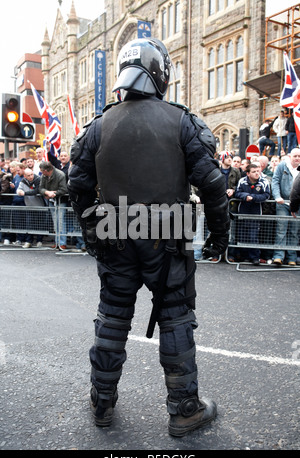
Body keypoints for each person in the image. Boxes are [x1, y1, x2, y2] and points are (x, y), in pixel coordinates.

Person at [68, 38, 230, 437]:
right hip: (167, 233)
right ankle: (184, 409)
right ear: (159, 72)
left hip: (115, 233)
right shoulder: (183, 121)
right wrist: (219, 236)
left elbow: (78, 186)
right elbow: (212, 185)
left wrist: (91, 232)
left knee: (112, 318)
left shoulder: (98, 126)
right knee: (175, 319)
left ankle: (101, 402)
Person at [235, 163, 270, 265]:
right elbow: (237, 193)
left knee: (253, 235)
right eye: (254, 172)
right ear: (248, 173)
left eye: (258, 171)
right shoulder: (242, 181)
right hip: (243, 210)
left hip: (256, 211)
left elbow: (266, 195)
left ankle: (254, 257)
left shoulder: (263, 182)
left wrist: (253, 197)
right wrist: (245, 196)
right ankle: (244, 256)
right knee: (242, 234)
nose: (256, 173)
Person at [271, 148, 300, 266]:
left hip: (297, 204)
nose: (297, 158)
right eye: (295, 156)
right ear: (290, 156)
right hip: (283, 203)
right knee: (281, 230)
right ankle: (278, 256)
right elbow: (275, 181)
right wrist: (277, 197)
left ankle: (291, 257)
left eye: (299, 156)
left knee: (294, 231)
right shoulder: (282, 166)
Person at [39, 161, 68, 250]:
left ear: (46, 170)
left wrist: (54, 194)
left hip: (60, 201)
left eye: (42, 171)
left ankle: (62, 243)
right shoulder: (44, 176)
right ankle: (57, 242)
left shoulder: (60, 175)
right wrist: (47, 192)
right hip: (51, 201)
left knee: (60, 221)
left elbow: (64, 189)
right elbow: (40, 188)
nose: (41, 173)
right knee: (55, 221)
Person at [17, 168, 46, 248]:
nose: (31, 177)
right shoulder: (23, 181)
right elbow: (19, 189)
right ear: (25, 176)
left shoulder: (38, 179)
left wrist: (25, 193)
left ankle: (39, 240)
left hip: (39, 206)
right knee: (29, 224)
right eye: (28, 175)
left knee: (40, 224)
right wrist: (19, 192)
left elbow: (37, 191)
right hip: (29, 206)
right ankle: (29, 241)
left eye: (31, 174)